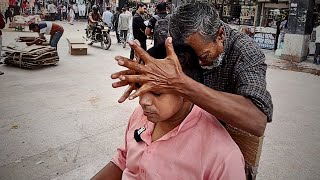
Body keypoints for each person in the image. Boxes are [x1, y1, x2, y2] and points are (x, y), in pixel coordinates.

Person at [111, 2, 273, 137]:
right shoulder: (177, 42)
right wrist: (144, 75)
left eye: (203, 55)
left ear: (220, 35)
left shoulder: (245, 51)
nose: (198, 65)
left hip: (221, 140)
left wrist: (182, 84)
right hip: (182, 131)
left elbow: (257, 121)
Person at [92, 43, 246, 180]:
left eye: (157, 92)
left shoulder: (222, 156)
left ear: (187, 93)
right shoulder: (140, 115)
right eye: (140, 87)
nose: (143, 101)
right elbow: (122, 160)